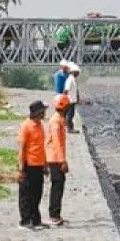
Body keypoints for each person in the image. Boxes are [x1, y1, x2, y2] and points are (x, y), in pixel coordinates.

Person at [17, 100, 49, 230]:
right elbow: (22, 149)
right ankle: (25, 220)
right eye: (43, 111)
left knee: (37, 193)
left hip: (38, 164)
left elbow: (41, 146)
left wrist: (45, 164)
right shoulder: (26, 126)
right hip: (28, 164)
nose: (45, 113)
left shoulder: (40, 125)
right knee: (26, 194)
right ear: (37, 113)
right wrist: (21, 169)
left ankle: (35, 219)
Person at [46, 94, 70, 226]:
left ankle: (56, 214)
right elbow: (57, 142)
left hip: (56, 157)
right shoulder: (56, 121)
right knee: (57, 185)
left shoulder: (59, 119)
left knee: (59, 185)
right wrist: (62, 161)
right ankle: (54, 215)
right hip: (55, 158)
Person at [64, 63, 81, 133]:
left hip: (72, 100)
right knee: (70, 115)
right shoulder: (70, 80)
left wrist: (78, 99)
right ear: (74, 72)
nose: (78, 73)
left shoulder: (73, 79)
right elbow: (66, 90)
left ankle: (70, 127)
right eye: (77, 72)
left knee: (71, 114)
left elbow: (75, 90)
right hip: (69, 100)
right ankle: (69, 129)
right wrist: (64, 99)